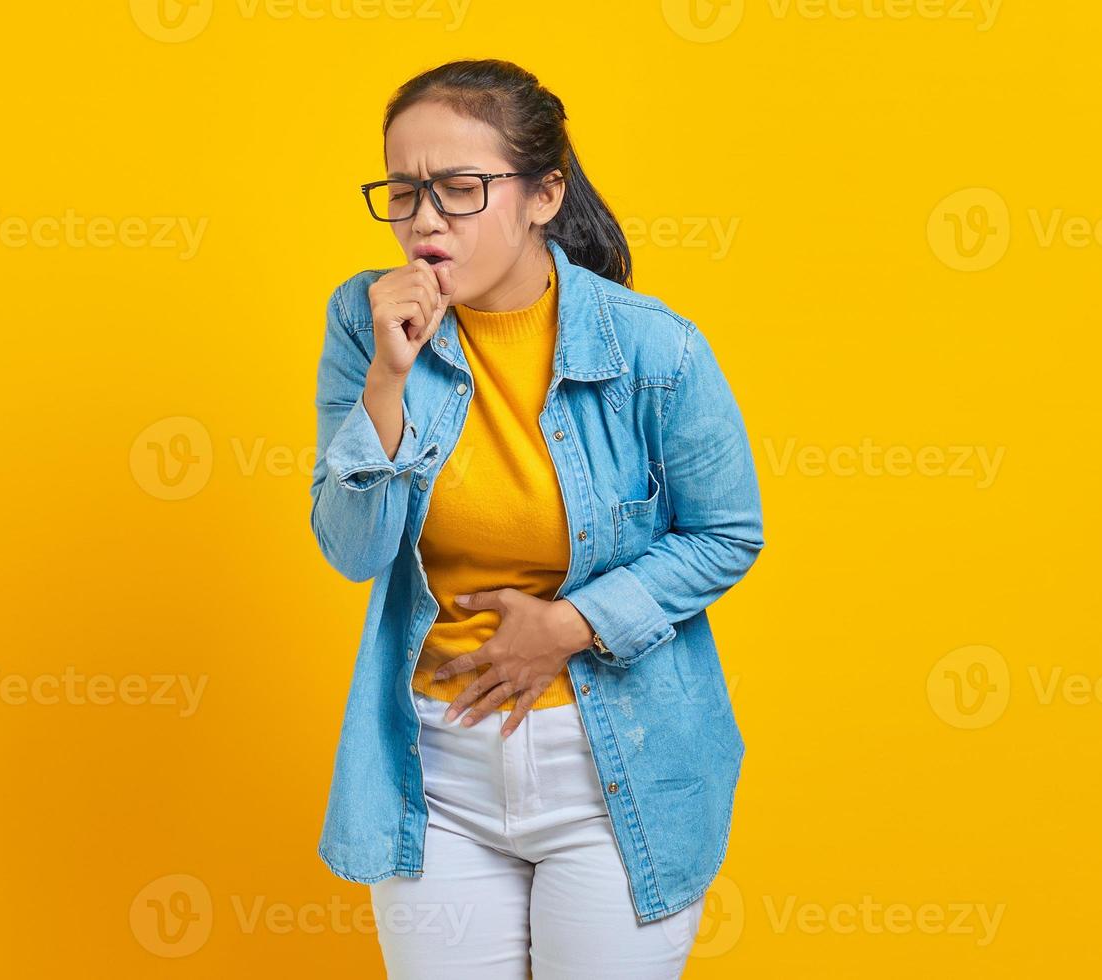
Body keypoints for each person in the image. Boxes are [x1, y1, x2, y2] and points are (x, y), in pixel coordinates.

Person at [311, 58, 765, 979]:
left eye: (461, 189)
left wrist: (566, 627)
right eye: (404, 192)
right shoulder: (367, 324)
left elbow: (728, 532)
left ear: (543, 194)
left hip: (614, 764)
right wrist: (387, 382)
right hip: (434, 768)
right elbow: (353, 550)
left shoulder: (653, 348)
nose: (425, 221)